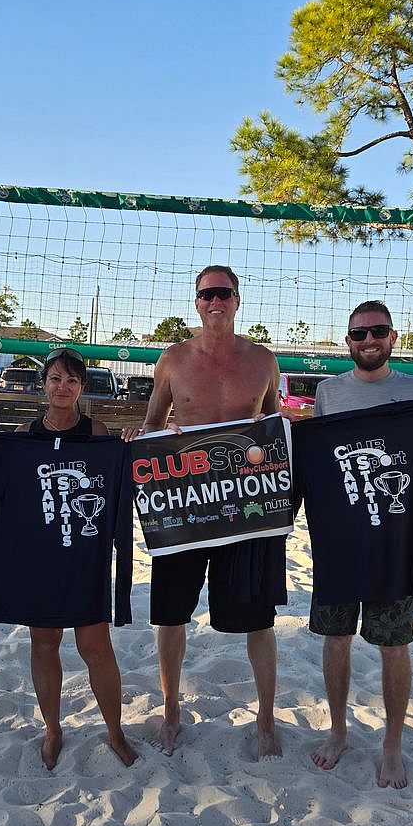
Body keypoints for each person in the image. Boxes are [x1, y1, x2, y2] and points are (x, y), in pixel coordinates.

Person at [122, 265, 283, 759]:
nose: (215, 301)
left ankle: (266, 718)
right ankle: (171, 710)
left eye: (224, 293)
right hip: (185, 505)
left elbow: (274, 427)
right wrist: (147, 440)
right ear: (196, 302)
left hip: (243, 508)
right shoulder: (173, 359)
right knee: (170, 616)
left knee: (259, 618)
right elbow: (153, 423)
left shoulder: (263, 360)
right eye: (206, 294)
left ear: (238, 300)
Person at [309, 300, 413, 787]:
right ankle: (338, 732)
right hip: (340, 541)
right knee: (336, 639)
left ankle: (392, 744)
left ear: (393, 337)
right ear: (348, 342)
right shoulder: (328, 392)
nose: (369, 341)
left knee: (394, 646)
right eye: (359, 334)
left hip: (398, 542)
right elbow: (312, 458)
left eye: (378, 331)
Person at [16, 347, 138, 769]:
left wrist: (127, 445)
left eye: (71, 380)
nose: (62, 387)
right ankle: (53, 730)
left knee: (96, 647)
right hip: (39, 556)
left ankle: (115, 732)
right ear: (43, 385)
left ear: (82, 387)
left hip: (86, 556)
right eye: (55, 378)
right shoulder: (25, 433)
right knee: (44, 642)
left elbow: (120, 478)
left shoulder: (96, 431)